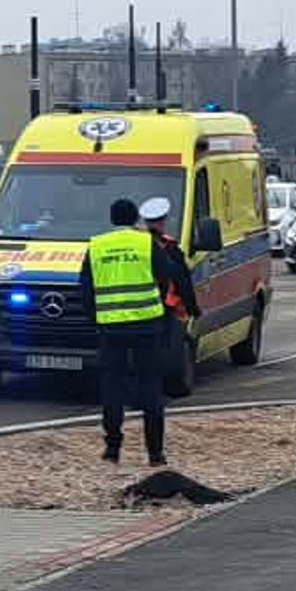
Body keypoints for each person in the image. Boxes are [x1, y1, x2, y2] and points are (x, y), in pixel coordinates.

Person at [79, 198, 188, 466]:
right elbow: (167, 275)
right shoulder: (145, 243)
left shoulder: (97, 245)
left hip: (111, 327)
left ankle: (112, 448)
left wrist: (96, 320)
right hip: (146, 325)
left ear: (112, 218)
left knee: (112, 388)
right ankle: (155, 453)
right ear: (135, 218)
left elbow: (86, 288)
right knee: (150, 387)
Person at [138, 197, 202, 363]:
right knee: (169, 353)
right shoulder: (170, 248)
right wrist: (193, 309)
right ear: (163, 221)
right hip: (166, 308)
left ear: (144, 222)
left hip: (135, 311)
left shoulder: (135, 246)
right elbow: (182, 281)